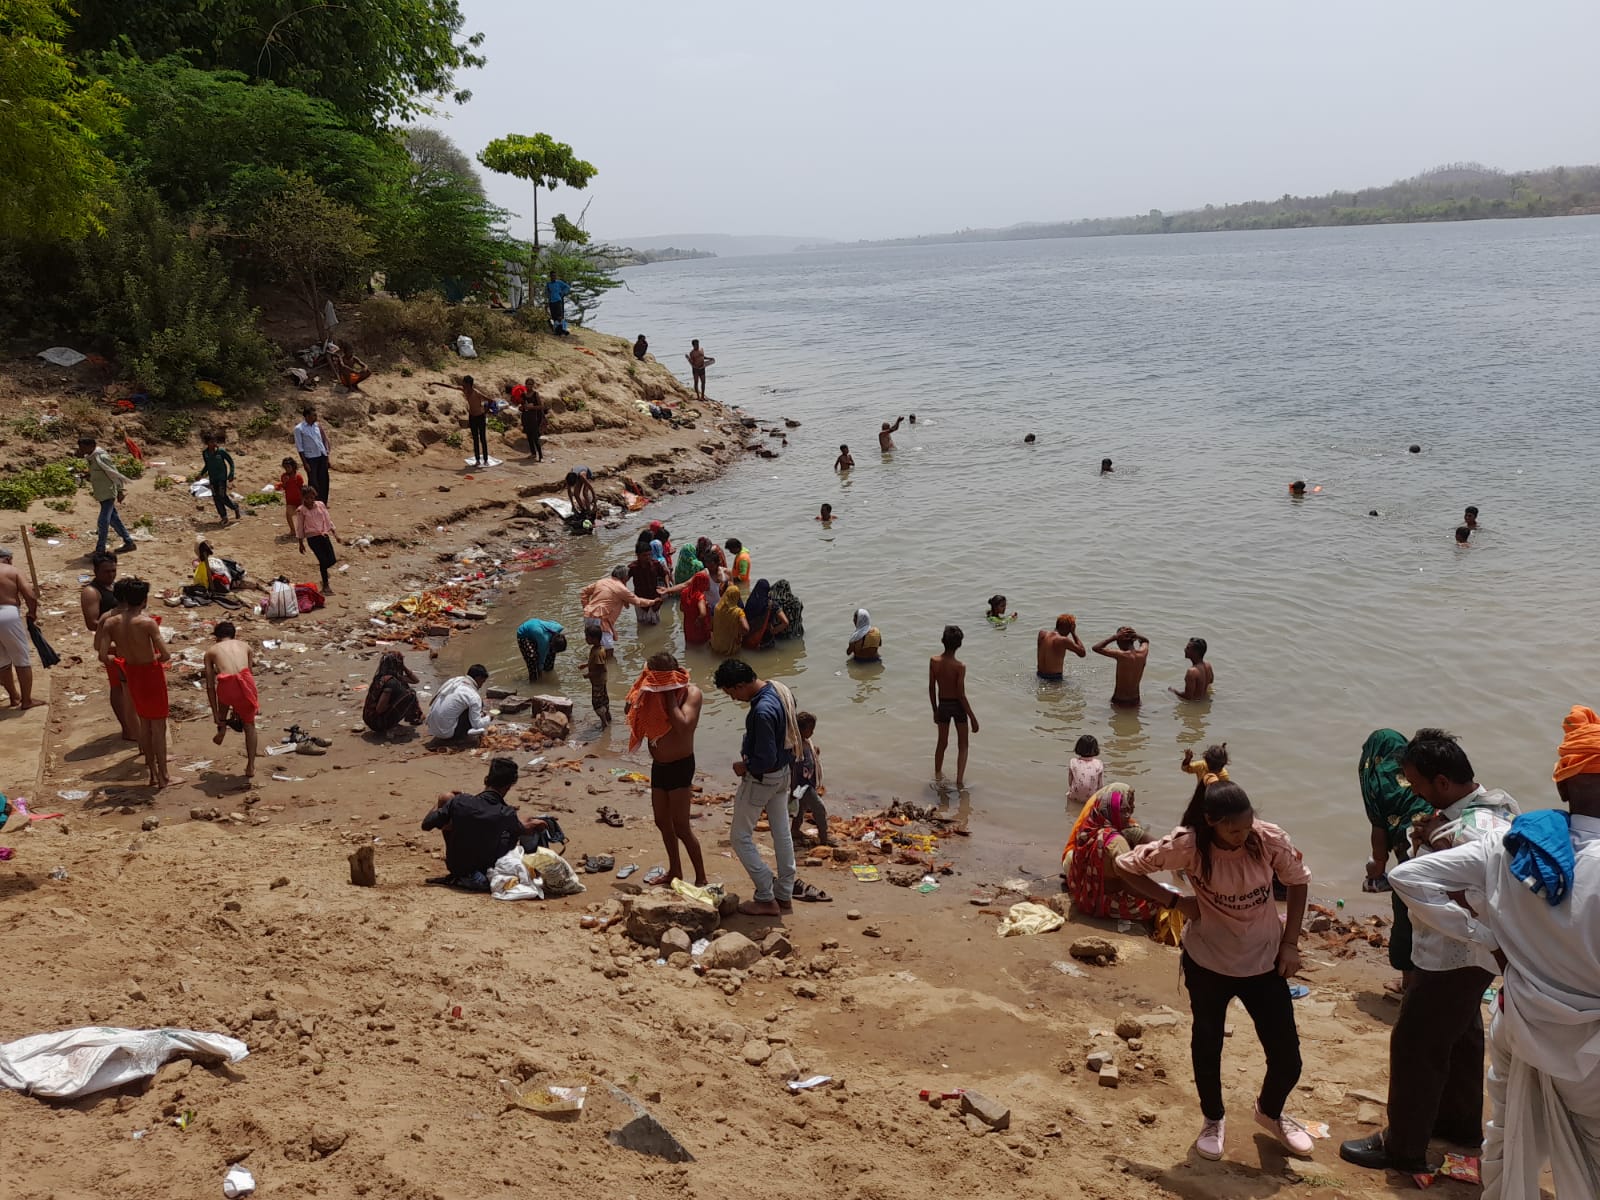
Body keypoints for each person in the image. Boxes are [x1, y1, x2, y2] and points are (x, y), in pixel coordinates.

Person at [1387, 704, 1600, 1200]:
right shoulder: (1510, 828)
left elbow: (1407, 877)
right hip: (1588, 1047)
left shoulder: (1514, 846)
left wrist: (1490, 941)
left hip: (1521, 1019)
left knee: (1505, 1136)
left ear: (1562, 789)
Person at [1339, 729, 1519, 1177]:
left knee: (1416, 1043)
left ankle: (1403, 1148)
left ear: (1442, 781)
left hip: (1454, 956)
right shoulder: (1487, 809)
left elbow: (1487, 886)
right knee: (1460, 1034)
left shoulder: (1478, 827)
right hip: (1468, 957)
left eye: (1417, 783)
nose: (1413, 792)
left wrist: (1438, 844)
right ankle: (1458, 1125)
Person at [1115, 777, 1314, 1162]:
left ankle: (1269, 1112)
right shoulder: (1188, 846)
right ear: (1211, 822)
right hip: (1208, 962)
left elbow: (1298, 881)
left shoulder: (1267, 840)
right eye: (1234, 830)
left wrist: (1290, 944)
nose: (1243, 836)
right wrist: (1176, 902)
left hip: (1264, 961)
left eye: (1248, 826)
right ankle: (1212, 1119)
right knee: (1208, 1044)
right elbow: (1125, 866)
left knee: (1288, 1057)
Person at [713, 658, 798, 916]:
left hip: (764, 778)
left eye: (731, 693)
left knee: (739, 837)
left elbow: (765, 759)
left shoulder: (761, 712)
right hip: (784, 774)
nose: (733, 699)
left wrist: (745, 766)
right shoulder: (780, 689)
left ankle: (765, 893)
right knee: (782, 833)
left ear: (740, 685)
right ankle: (784, 893)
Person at [1358, 728, 1433, 994]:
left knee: (1407, 916)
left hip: (1410, 851)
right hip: (1438, 838)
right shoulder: (1419, 771)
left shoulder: (1375, 780)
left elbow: (1379, 831)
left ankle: (1409, 985)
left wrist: (1376, 868)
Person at [627, 651, 706, 886]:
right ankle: (675, 871)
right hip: (659, 765)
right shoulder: (651, 693)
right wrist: (643, 693)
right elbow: (630, 709)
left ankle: (701, 878)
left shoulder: (691, 693)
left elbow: (683, 726)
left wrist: (669, 694)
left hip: (680, 765)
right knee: (662, 821)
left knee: (681, 827)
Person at [421, 758, 550, 889]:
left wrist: (443, 802)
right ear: (509, 786)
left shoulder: (460, 801)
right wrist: (535, 824)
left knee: (448, 801)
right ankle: (535, 875)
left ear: (486, 780)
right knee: (531, 827)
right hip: (484, 876)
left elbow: (426, 825)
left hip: (458, 869)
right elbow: (521, 829)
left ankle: (459, 877)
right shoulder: (505, 813)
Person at [102, 577, 172, 787]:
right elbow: (165, 655)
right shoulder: (147, 623)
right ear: (144, 600)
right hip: (150, 672)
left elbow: (103, 655)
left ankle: (152, 774)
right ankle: (164, 776)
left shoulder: (111, 622)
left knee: (144, 724)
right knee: (158, 726)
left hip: (130, 672)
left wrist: (120, 659)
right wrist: (152, 658)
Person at [1064, 782, 1157, 920]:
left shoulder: (1089, 827)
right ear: (1112, 811)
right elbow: (1131, 882)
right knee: (1160, 905)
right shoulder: (1116, 842)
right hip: (1105, 902)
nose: (1129, 814)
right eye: (1124, 810)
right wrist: (1162, 898)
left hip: (1085, 892)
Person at [80, 550, 132, 736]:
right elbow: (92, 623)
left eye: (113, 570)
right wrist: (115, 623)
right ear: (96, 571)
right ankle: (127, 728)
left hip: (125, 642)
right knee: (118, 686)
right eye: (106, 571)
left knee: (129, 685)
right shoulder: (91, 592)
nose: (111, 575)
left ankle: (133, 725)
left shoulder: (115, 587)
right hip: (110, 645)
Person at [203, 620, 259, 782]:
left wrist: (215, 714)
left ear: (216, 637)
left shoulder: (211, 651)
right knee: (250, 725)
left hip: (226, 686)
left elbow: (210, 686)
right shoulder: (246, 646)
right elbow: (248, 674)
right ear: (234, 635)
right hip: (245, 683)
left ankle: (222, 726)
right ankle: (250, 766)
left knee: (224, 691)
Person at [929, 625, 978, 786]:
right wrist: (972, 717)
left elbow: (931, 688)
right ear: (960, 644)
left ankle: (937, 775)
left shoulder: (934, 661)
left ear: (942, 640)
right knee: (963, 745)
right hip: (957, 706)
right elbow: (961, 695)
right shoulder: (960, 667)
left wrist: (935, 710)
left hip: (943, 705)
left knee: (942, 743)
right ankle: (959, 781)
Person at [581, 565, 660, 654]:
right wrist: (653, 602)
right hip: (601, 619)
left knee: (597, 645)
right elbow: (637, 602)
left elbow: (584, 591)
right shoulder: (621, 588)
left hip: (588, 615)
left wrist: (586, 606)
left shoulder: (602, 581)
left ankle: (595, 660)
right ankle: (608, 662)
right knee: (608, 649)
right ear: (625, 577)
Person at [79, 435, 137, 556]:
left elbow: (114, 474)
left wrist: (120, 491)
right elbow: (99, 472)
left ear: (92, 446)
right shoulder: (91, 457)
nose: (81, 450)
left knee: (103, 521)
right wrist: (88, 476)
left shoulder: (101, 457)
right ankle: (129, 542)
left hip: (108, 493)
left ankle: (100, 550)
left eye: (83, 447)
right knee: (114, 520)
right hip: (101, 492)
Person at [0, 546, 41, 710]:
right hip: (7, 614)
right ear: (8, 559)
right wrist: (32, 612)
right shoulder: (12, 571)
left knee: (2, 661)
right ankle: (26, 700)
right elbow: (30, 595)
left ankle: (13, 697)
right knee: (21, 658)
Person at [790, 711, 831, 848]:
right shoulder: (795, 746)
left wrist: (815, 752)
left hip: (808, 782)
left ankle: (795, 830)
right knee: (819, 808)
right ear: (801, 730)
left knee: (802, 808)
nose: (812, 732)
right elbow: (793, 765)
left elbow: (809, 756)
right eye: (810, 729)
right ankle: (824, 837)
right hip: (802, 785)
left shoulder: (807, 743)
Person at [363, 651, 423, 737]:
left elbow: (416, 680)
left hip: (369, 718)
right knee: (410, 694)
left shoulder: (381, 677)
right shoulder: (390, 682)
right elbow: (380, 709)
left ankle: (410, 717)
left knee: (405, 687)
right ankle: (392, 725)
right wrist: (394, 703)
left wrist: (404, 667)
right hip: (377, 722)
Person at [425, 664, 492, 741]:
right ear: (478, 678)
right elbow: (477, 725)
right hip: (446, 733)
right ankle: (459, 738)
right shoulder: (473, 695)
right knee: (478, 705)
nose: (481, 686)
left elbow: (434, 700)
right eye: (482, 682)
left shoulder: (454, 680)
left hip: (432, 727)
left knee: (466, 705)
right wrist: (489, 718)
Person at [294, 486, 340, 595]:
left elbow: (327, 519)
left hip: (324, 536)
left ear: (315, 496)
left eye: (312, 497)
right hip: (312, 539)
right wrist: (301, 543)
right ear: (303, 498)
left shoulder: (320, 505)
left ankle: (324, 576)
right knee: (323, 561)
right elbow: (300, 527)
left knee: (332, 560)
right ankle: (326, 585)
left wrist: (335, 534)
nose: (310, 500)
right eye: (307, 498)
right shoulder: (301, 510)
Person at [1093, 626, 1149, 708]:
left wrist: (1114, 637)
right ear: (1134, 640)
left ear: (1118, 641)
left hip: (1120, 701)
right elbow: (1145, 641)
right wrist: (1135, 635)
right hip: (1136, 700)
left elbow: (1096, 648)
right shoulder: (1143, 653)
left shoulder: (1122, 655)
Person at [294, 406, 332, 506]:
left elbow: (322, 441)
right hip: (311, 458)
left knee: (324, 480)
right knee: (313, 481)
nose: (315, 417)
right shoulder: (299, 428)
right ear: (307, 416)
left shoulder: (317, 426)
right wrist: (305, 463)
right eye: (313, 415)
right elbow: (299, 447)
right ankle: (313, 502)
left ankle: (323, 503)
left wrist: (327, 457)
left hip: (321, 455)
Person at [201, 432, 242, 524]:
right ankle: (224, 516)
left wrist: (231, 473)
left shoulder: (221, 451)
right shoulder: (205, 453)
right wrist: (201, 474)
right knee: (216, 497)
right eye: (211, 442)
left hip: (221, 478)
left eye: (215, 441)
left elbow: (231, 462)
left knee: (222, 495)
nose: (214, 443)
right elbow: (207, 465)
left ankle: (234, 507)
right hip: (212, 478)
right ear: (207, 443)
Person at [626, 538, 669, 626]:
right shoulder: (633, 567)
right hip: (640, 600)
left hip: (655, 599)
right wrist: (625, 595)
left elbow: (665, 574)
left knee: (655, 623)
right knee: (642, 623)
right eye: (644, 555)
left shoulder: (656, 564)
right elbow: (623, 580)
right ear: (637, 555)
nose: (648, 557)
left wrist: (667, 588)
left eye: (649, 554)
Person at [741, 579, 789, 649]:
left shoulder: (750, 602)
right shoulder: (771, 605)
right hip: (765, 641)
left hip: (747, 640)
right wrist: (773, 631)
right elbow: (786, 622)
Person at [1037, 614, 1086, 681]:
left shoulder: (1042, 634)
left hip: (1039, 676)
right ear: (1069, 628)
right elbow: (1082, 653)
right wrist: (1073, 633)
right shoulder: (1063, 640)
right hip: (1054, 679)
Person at [515, 617, 565, 682]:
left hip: (536, 629)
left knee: (551, 654)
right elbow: (541, 659)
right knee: (532, 657)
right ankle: (533, 681)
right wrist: (540, 675)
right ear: (551, 643)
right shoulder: (544, 640)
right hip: (524, 634)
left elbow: (551, 622)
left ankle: (548, 672)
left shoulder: (559, 628)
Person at [459, 374, 492, 468]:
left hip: (480, 417)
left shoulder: (476, 393)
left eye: (464, 383)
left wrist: (485, 411)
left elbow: (490, 400)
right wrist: (434, 383)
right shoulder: (464, 390)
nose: (463, 385)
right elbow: (450, 386)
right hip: (472, 417)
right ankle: (477, 460)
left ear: (469, 384)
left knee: (482, 438)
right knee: (475, 439)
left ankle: (485, 460)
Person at [580, 625, 610, 726]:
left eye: (587, 637)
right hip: (601, 681)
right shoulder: (598, 648)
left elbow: (601, 669)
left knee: (596, 703)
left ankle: (604, 723)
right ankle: (608, 717)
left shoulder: (597, 652)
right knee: (604, 700)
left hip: (598, 682)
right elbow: (596, 663)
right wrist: (586, 665)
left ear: (594, 638)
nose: (585, 639)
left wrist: (589, 675)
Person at [710, 583, 749, 655]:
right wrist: (739, 637)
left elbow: (711, 626)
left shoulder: (717, 607)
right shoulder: (738, 612)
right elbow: (746, 629)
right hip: (730, 647)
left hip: (716, 645)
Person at [1067, 734, 1104, 807]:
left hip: (1074, 797)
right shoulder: (1098, 763)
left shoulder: (1073, 762)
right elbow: (1100, 785)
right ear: (1095, 749)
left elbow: (1070, 781)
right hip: (1091, 799)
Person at [679, 567, 713, 646]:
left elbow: (681, 608)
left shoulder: (684, 592)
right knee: (703, 645)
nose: (708, 585)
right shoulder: (700, 596)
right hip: (699, 626)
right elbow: (703, 613)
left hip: (688, 624)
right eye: (706, 582)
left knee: (690, 644)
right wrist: (698, 620)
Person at [278, 458, 304, 539]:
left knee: (302, 516)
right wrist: (285, 482)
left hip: (299, 500)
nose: (287, 469)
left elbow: (301, 488)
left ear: (293, 467)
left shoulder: (298, 477)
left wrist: (303, 501)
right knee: (288, 514)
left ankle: (303, 530)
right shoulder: (284, 476)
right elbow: (284, 487)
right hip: (290, 500)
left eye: (288, 467)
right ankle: (293, 530)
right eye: (285, 467)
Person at [519, 382, 545, 462]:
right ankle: (533, 453)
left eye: (530, 384)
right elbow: (521, 407)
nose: (529, 386)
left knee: (535, 437)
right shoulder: (523, 395)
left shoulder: (535, 394)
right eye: (527, 384)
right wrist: (522, 407)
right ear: (525, 385)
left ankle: (541, 456)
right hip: (525, 417)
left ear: (533, 385)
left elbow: (541, 406)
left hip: (534, 418)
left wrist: (531, 407)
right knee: (529, 436)